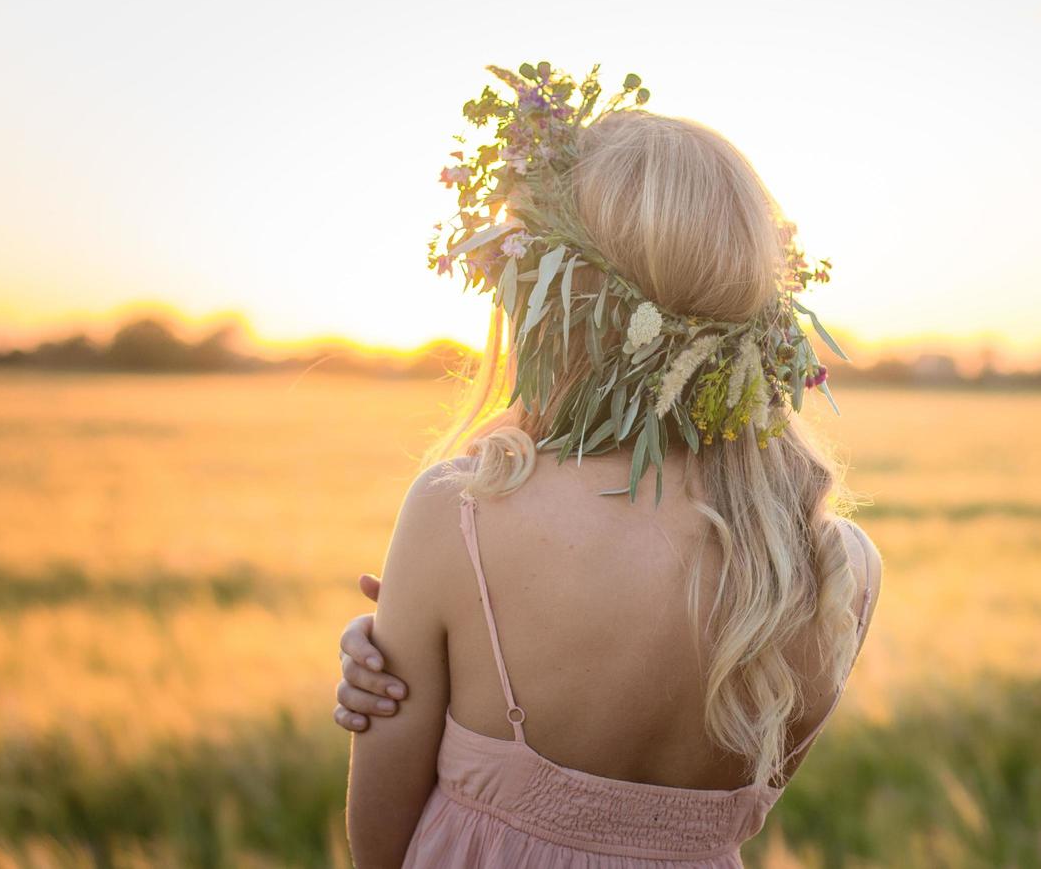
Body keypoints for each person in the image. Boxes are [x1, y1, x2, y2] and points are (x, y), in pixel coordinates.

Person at [335, 63, 881, 867]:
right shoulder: (832, 567)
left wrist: (412, 644)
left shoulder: (462, 517)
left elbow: (377, 848)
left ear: (554, 299)